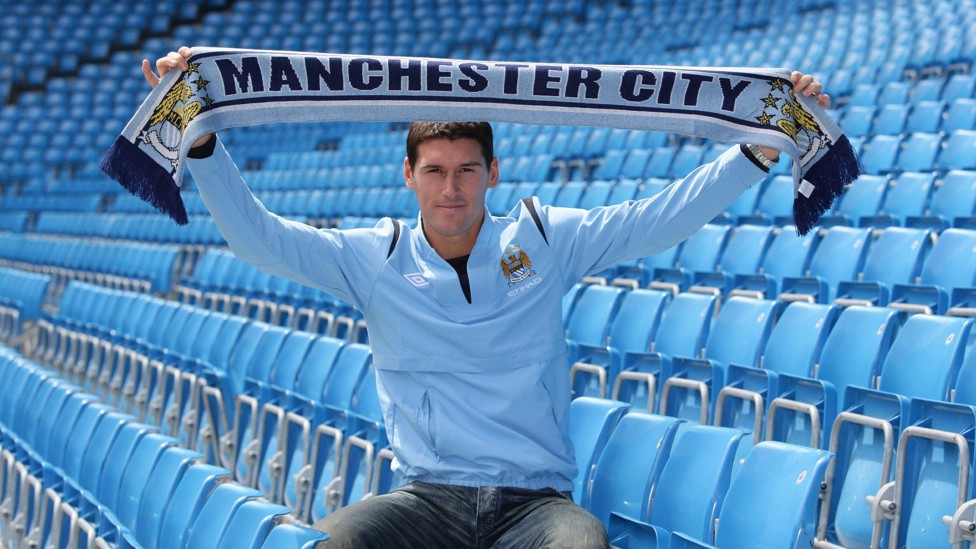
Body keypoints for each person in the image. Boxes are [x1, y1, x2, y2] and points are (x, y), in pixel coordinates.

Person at [145, 47, 829, 548]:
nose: (452, 189)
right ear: (408, 174)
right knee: (329, 543)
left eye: (468, 170)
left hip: (536, 504)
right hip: (426, 500)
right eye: (436, 171)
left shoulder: (542, 237)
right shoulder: (372, 257)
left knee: (582, 545)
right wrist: (202, 146)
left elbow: (654, 219)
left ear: (492, 172)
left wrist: (754, 149)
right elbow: (262, 239)